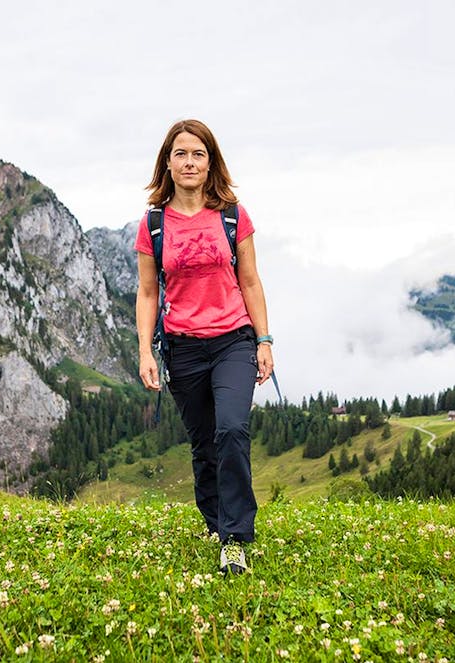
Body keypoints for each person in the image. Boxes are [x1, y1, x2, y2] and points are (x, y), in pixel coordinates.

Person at [134, 119, 274, 575]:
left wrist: (265, 340)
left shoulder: (233, 215)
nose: (190, 161)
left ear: (210, 161)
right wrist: (144, 351)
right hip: (182, 348)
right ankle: (216, 523)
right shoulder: (153, 224)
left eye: (198, 153)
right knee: (204, 445)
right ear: (168, 163)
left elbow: (250, 280)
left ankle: (235, 539)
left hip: (234, 340)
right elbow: (148, 292)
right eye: (181, 154)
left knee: (231, 430)